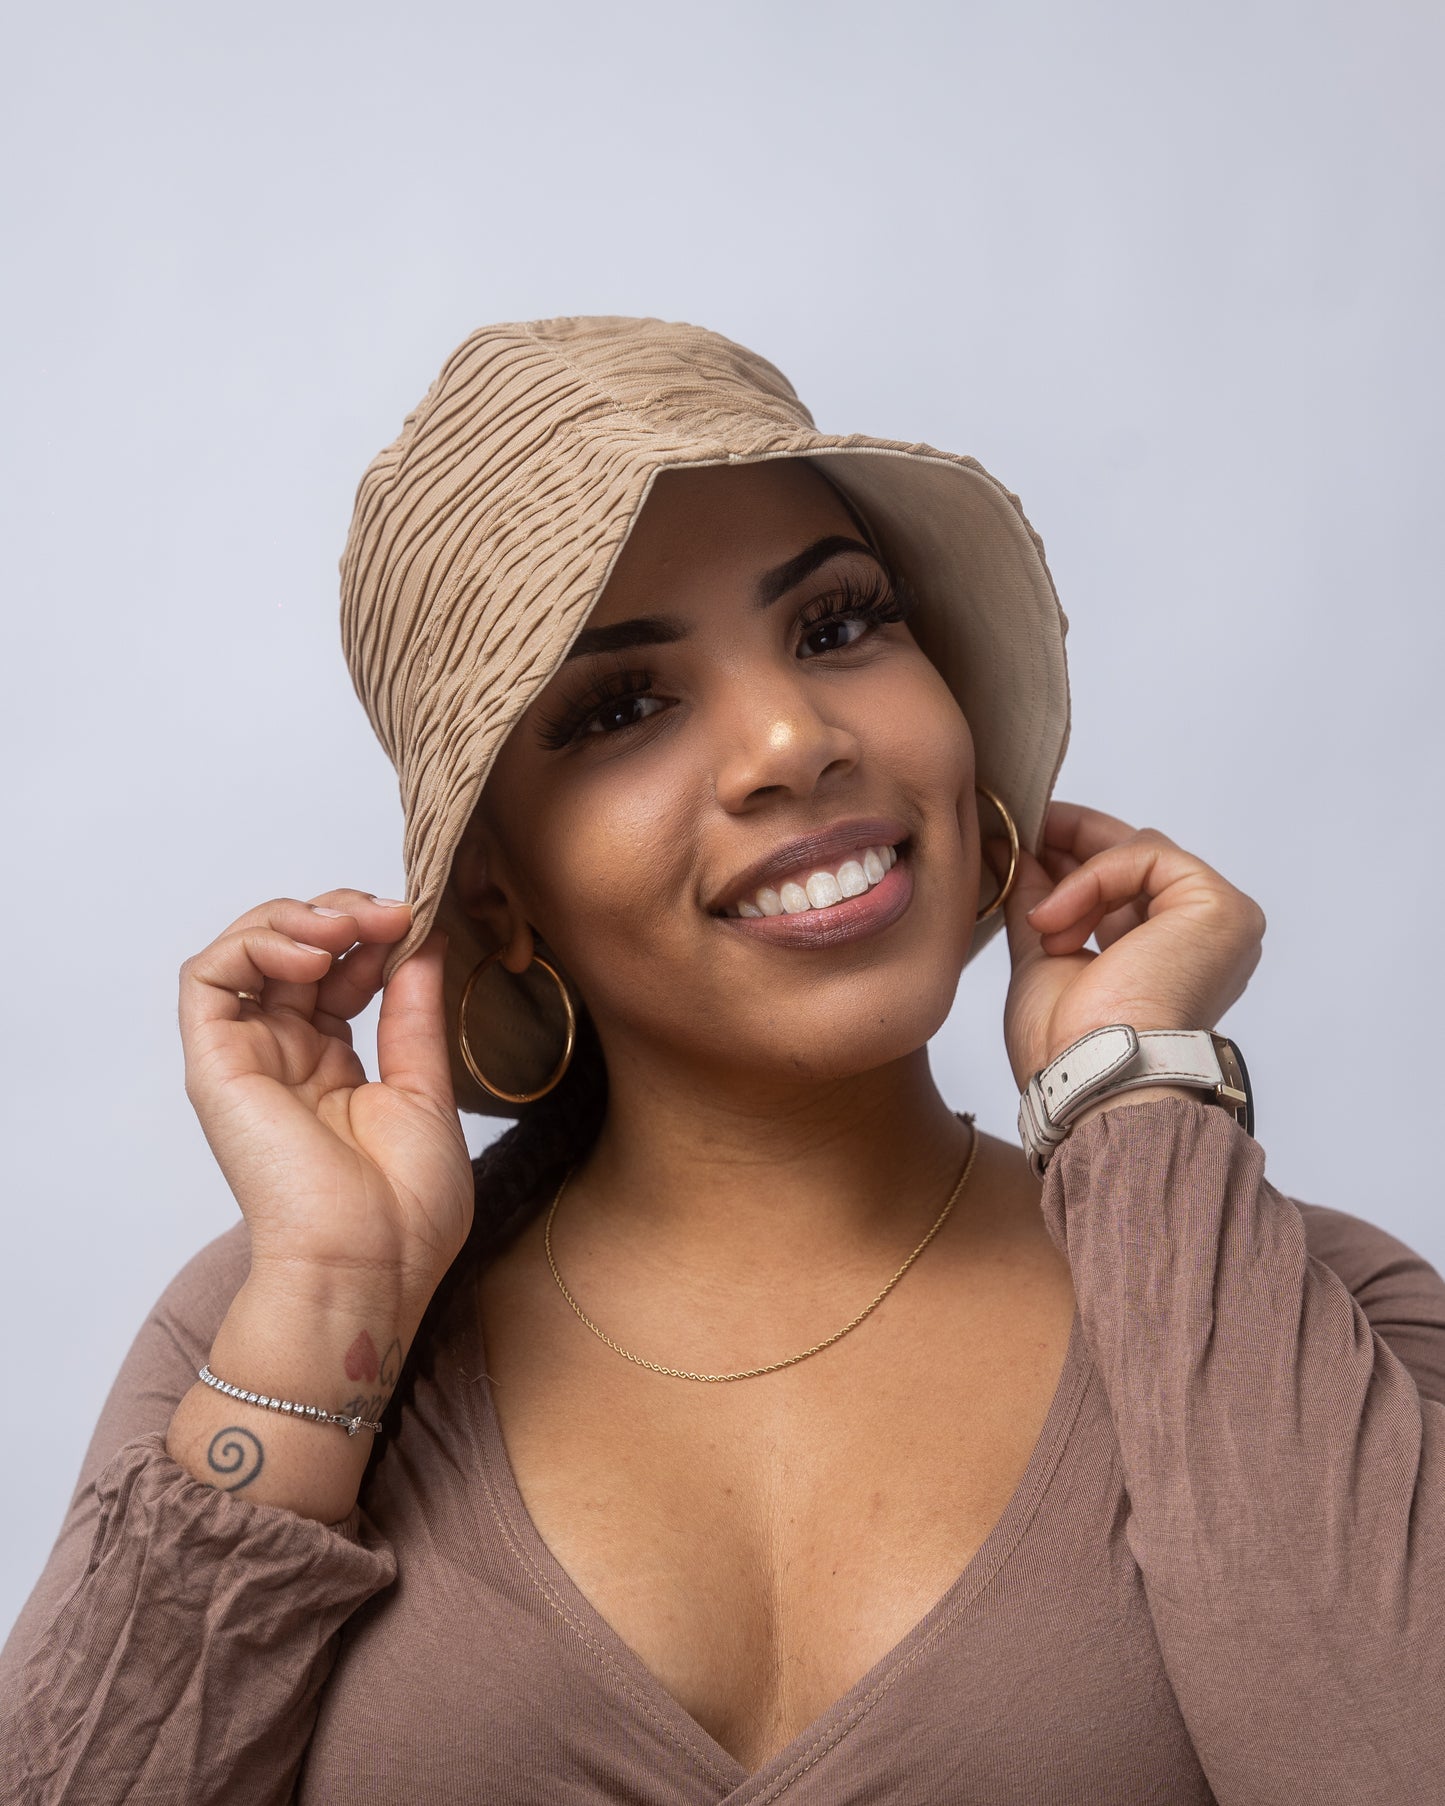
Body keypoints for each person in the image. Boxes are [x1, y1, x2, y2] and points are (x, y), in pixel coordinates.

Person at [3, 316, 1442, 1805]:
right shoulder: (271, 1336)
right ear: (498, 893)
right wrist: (331, 1307)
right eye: (621, 706)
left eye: (834, 625)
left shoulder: (1336, 1314)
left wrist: (1132, 1097)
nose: (787, 737)